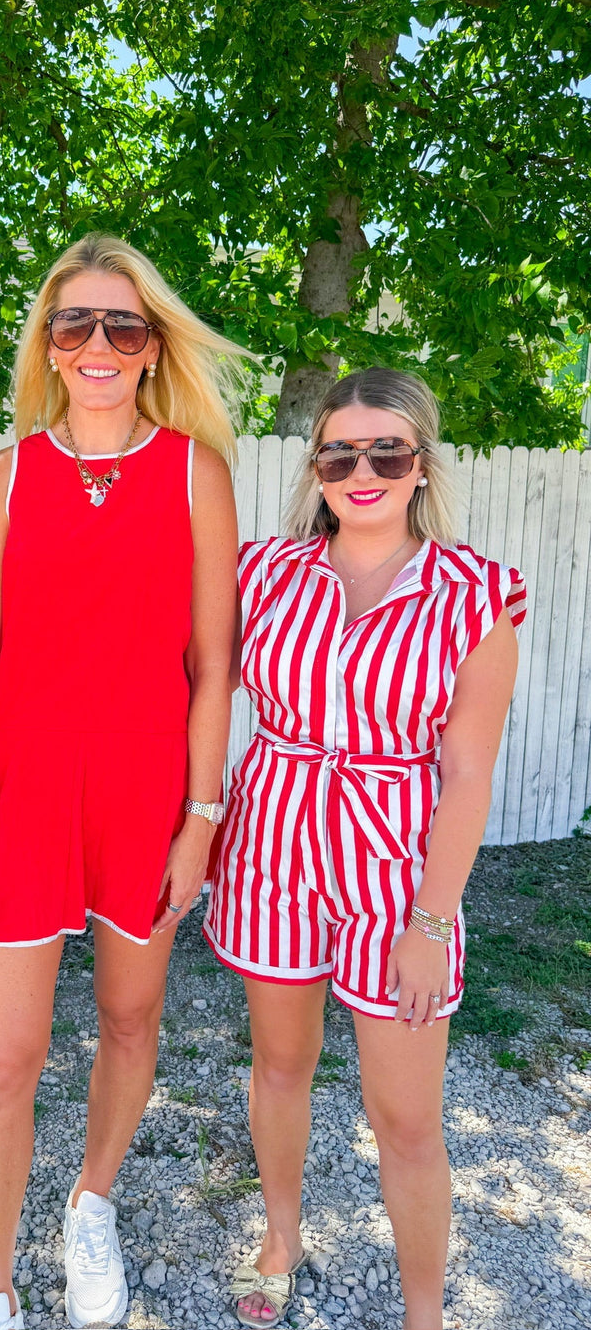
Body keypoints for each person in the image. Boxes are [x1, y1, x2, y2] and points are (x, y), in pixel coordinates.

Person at [0, 233, 243, 1330]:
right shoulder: (4, 480)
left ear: (153, 346)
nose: (101, 343)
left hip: (146, 800)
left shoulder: (195, 473)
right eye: (78, 324)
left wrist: (199, 820)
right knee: (6, 1059)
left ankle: (90, 1204)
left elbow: (213, 669)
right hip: (17, 803)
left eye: (124, 324)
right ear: (51, 347)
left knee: (128, 1018)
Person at [204, 367, 525, 1330]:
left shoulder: (475, 594)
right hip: (272, 850)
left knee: (409, 1119)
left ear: (421, 465)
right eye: (341, 452)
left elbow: (468, 773)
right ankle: (282, 1235)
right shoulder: (263, 571)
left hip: (396, 871)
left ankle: (424, 1311)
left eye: (387, 450)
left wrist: (432, 920)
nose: (364, 470)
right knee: (280, 1067)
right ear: (318, 466)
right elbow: (175, 680)